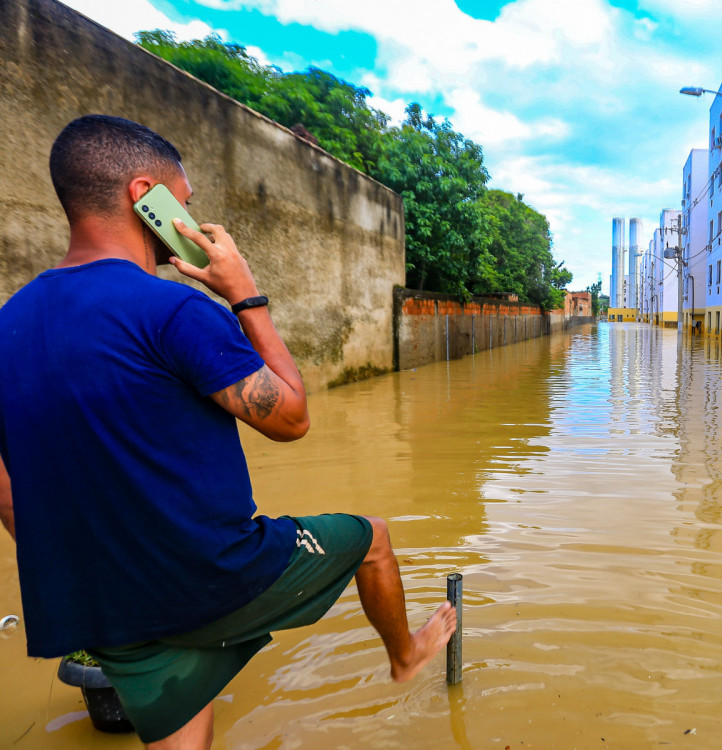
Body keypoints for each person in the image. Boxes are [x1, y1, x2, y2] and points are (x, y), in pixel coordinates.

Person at [0, 115, 456, 749]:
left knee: (185, 730)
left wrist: (99, 571)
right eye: (183, 204)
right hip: (211, 579)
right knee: (373, 538)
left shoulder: (9, 323)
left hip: (96, 605)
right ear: (145, 196)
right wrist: (245, 295)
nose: (188, 220)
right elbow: (291, 418)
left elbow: (8, 489)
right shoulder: (174, 310)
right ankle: (405, 656)